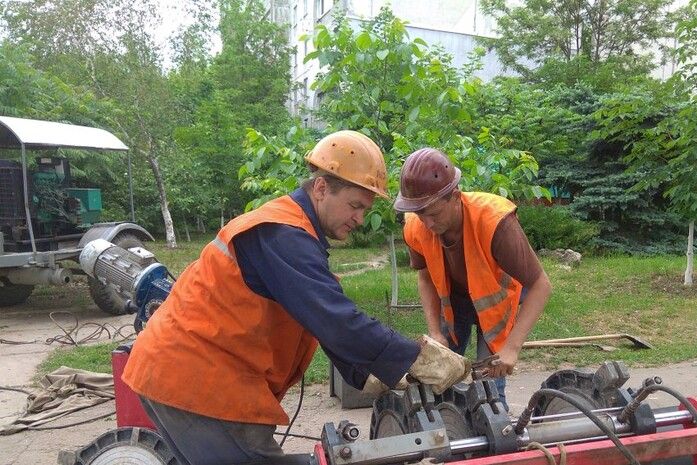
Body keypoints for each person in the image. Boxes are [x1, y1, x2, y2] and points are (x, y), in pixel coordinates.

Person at [122, 131, 471, 465]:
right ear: (321, 187)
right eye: (354, 205)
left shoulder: (295, 233)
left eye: (364, 209)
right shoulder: (283, 234)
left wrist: (364, 373)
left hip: (187, 376)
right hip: (196, 382)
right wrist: (415, 357)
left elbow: (317, 317)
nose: (360, 219)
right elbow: (336, 319)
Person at [395, 148, 552, 410]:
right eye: (420, 213)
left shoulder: (496, 221)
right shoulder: (415, 226)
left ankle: (497, 431)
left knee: (488, 384)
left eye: (434, 214)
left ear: (455, 196)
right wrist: (436, 332)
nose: (428, 223)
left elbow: (541, 285)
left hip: (494, 304)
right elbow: (425, 277)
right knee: (440, 376)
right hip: (453, 303)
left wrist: (512, 348)